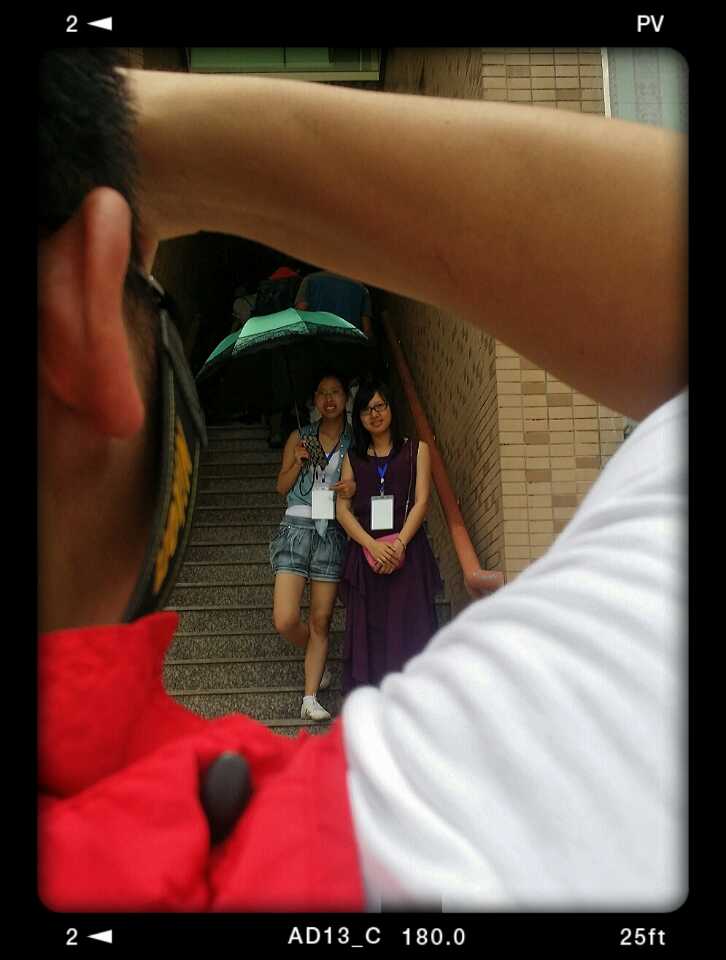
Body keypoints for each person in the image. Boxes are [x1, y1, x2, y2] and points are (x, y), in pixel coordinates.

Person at [38, 49, 686, 911]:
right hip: (309, 531)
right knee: (291, 615)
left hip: (360, 545)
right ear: (80, 314)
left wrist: (384, 529)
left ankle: (315, 694)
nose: (349, 405)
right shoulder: (370, 841)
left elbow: (411, 497)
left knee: (316, 618)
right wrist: (119, 131)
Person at [336, 380, 443, 692]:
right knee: (372, 634)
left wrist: (398, 545)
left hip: (408, 554)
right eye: (366, 410)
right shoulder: (352, 457)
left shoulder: (417, 450)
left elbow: (422, 502)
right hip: (367, 558)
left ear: (391, 408)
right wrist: (371, 545)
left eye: (380, 406)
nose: (374, 414)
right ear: (359, 418)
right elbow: (342, 511)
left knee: (412, 631)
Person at [271, 373, 356, 721]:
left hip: (331, 532)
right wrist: (297, 461)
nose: (329, 399)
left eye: (335, 392)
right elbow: (281, 486)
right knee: (285, 619)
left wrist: (351, 489)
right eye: (322, 393)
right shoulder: (300, 436)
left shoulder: (353, 440)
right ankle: (315, 657)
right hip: (295, 528)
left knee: (321, 620)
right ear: (314, 400)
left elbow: (359, 489)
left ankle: (310, 697)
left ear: (345, 398)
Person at [295, 270, 374, 339]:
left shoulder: (310, 279)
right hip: (348, 342)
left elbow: (300, 312)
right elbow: (367, 330)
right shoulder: (361, 288)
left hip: (317, 340)